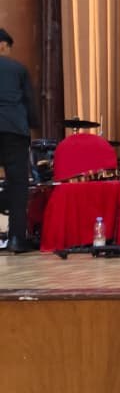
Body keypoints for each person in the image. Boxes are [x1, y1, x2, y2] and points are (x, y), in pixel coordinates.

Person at [0, 28, 39, 254]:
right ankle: (16, 238)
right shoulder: (18, 69)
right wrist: (33, 124)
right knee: (17, 185)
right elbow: (29, 103)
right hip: (13, 130)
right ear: (3, 45)